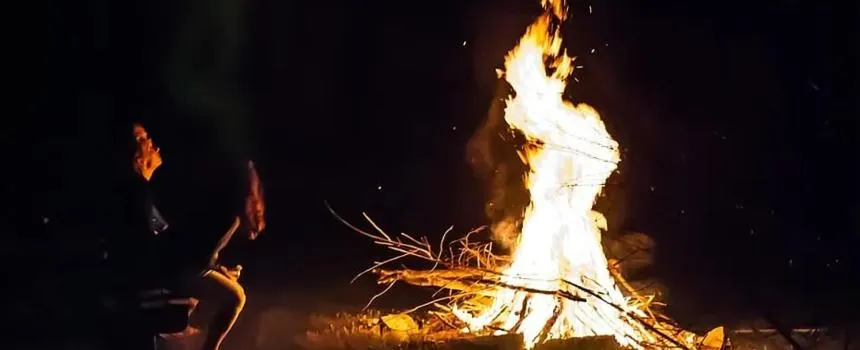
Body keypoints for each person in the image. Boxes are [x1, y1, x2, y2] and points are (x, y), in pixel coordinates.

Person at [128, 123, 265, 350]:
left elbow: (182, 243)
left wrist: (214, 268)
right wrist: (210, 268)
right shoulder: (135, 193)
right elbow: (154, 244)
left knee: (223, 291)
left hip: (163, 266)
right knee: (235, 296)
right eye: (143, 139)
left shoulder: (141, 191)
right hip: (154, 271)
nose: (154, 145)